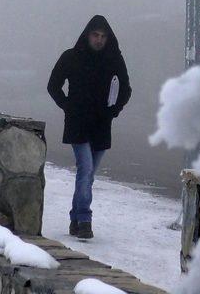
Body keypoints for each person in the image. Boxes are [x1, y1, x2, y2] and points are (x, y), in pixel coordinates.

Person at [47, 15, 131, 239]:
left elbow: (126, 89)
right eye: (95, 35)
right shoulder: (72, 57)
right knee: (85, 169)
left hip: (102, 126)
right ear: (87, 35)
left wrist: (114, 111)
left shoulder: (114, 59)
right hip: (78, 124)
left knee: (89, 174)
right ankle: (84, 219)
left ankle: (75, 218)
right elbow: (53, 85)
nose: (99, 40)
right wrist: (68, 106)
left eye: (103, 36)